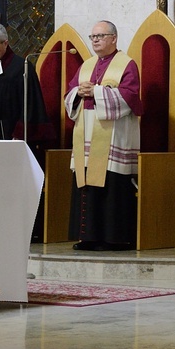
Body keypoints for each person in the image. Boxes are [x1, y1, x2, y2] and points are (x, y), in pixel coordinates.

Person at [65, 20, 143, 251]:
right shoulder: (87, 65)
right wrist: (78, 92)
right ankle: (88, 237)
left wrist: (96, 91)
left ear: (114, 38)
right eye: (92, 37)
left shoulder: (127, 64)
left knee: (111, 185)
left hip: (113, 135)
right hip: (86, 133)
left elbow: (130, 96)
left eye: (100, 36)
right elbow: (69, 93)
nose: (95, 40)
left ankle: (113, 239)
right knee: (86, 183)